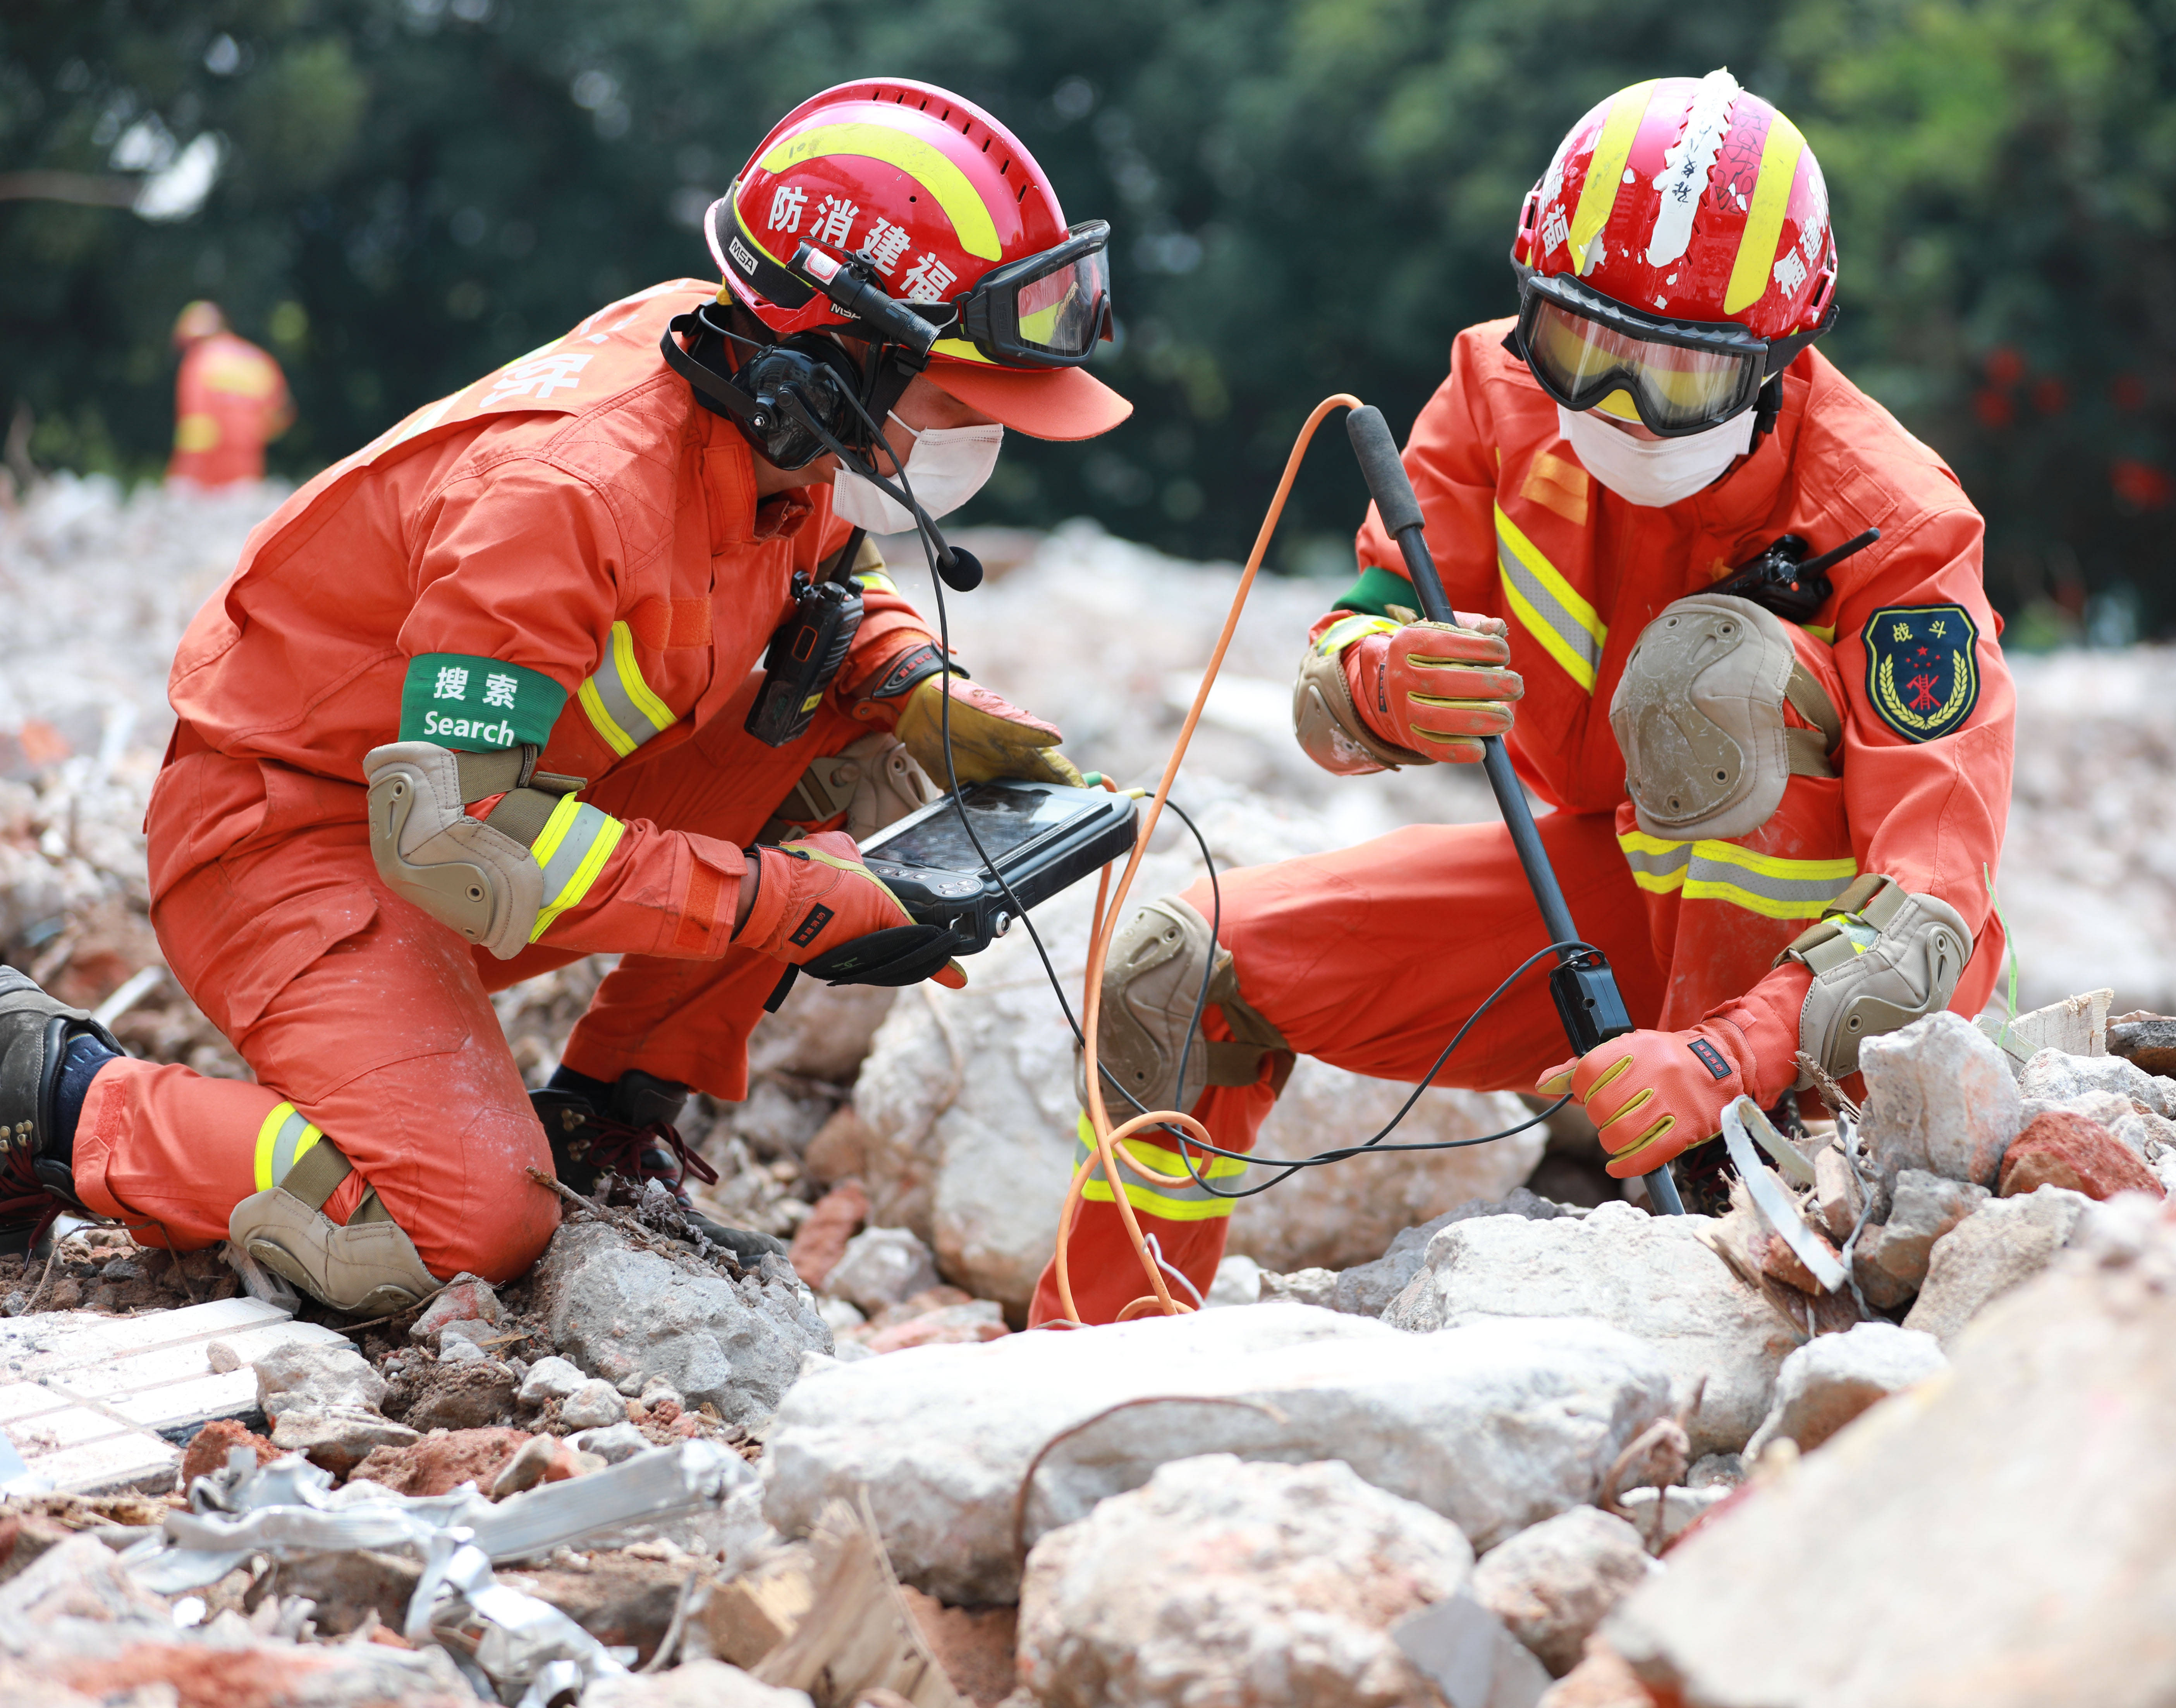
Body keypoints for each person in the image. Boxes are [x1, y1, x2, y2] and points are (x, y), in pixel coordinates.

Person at [0, 79, 1129, 1314]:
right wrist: (807, 902)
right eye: (959, 405)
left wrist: (907, 679)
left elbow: (826, 574)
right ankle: (56, 1091)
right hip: (298, 840)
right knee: (451, 1223)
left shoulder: (768, 402)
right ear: (833, 360)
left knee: (839, 715)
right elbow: (459, 843)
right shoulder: (567, 496)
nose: (974, 438)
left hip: (460, 812)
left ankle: (605, 1119)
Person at [1034, 71, 2012, 1325]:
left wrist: (1726, 1057)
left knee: (1710, 670)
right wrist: (1373, 687)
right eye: (1583, 345)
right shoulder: (1497, 398)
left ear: (1782, 356)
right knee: (1180, 968)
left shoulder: (1895, 521)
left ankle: (1745, 1169)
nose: (1619, 406)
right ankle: (1091, 1346)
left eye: (1681, 375)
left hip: (1821, 988)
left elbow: (1929, 912)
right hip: (1609, 891)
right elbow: (1350, 648)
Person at [167, 301, 294, 489]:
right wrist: (248, 434)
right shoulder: (258, 361)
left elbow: (196, 425)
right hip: (248, 474)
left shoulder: (200, 362)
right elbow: (282, 415)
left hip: (206, 478)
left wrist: (182, 476)